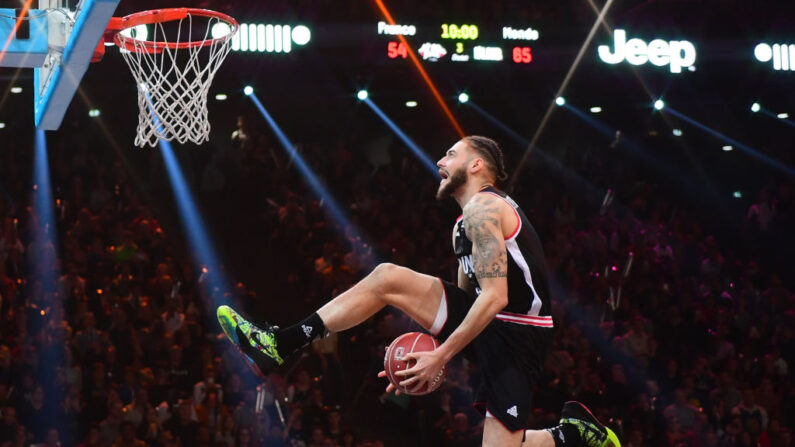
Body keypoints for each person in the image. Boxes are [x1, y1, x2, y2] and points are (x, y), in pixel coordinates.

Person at [217, 136, 620, 447]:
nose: (440, 162)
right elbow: (465, 299)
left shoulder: (485, 210)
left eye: (450, 154)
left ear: (476, 164)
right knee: (387, 277)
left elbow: (494, 297)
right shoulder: (462, 224)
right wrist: (423, 355)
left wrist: (439, 357)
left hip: (519, 334)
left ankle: (570, 436)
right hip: (491, 322)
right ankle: (279, 343)